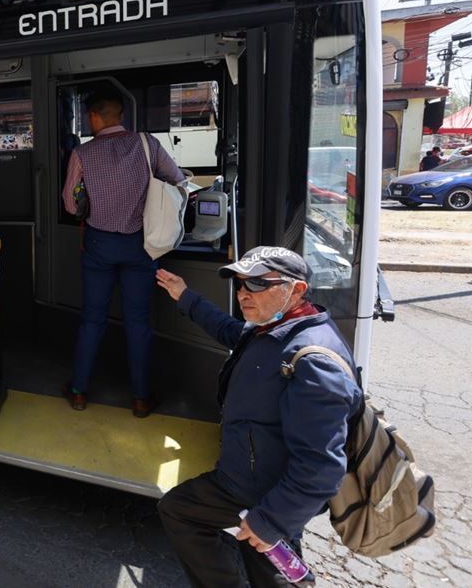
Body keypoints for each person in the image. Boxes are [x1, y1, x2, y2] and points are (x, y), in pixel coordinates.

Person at [153, 246, 361, 588]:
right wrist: (185, 295)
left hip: (261, 491)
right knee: (257, 554)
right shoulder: (271, 329)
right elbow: (227, 329)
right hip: (250, 480)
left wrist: (272, 519)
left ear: (296, 290)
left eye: (258, 285)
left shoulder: (314, 361)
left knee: (184, 512)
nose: (243, 294)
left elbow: (321, 467)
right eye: (240, 284)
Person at [59, 91, 184, 417]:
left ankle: (79, 392)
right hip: (140, 246)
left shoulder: (81, 154)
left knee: (92, 320)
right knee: (138, 322)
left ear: (96, 118)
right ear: (120, 116)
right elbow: (178, 180)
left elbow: (71, 205)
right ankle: (141, 399)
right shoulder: (147, 144)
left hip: (99, 245)